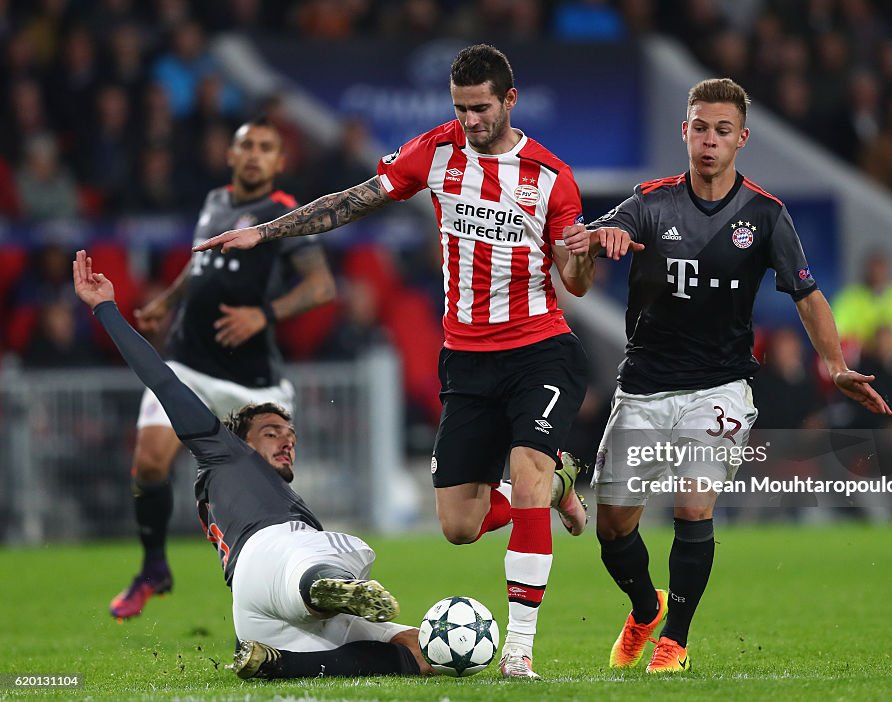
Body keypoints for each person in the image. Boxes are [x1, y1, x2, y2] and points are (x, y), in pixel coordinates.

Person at [194, 44, 638, 678]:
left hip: (540, 348)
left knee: (528, 478)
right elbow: (352, 201)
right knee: (460, 524)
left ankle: (518, 655)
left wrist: (581, 252)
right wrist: (264, 232)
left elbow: (577, 283)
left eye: (481, 108)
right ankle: (562, 480)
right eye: (460, 108)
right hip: (466, 357)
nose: (470, 121)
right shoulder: (435, 152)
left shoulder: (550, 177)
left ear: (509, 101)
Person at [563, 78, 891, 674]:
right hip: (643, 385)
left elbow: (808, 295)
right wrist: (592, 246)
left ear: (741, 138)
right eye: (699, 127)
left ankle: (675, 643)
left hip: (720, 387)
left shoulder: (766, 215)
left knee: (693, 506)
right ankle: (645, 610)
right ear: (683, 131)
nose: (709, 140)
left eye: (721, 130)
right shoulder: (646, 202)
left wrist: (836, 365)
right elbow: (577, 277)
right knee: (612, 528)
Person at [73, 250, 429, 680]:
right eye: (272, 431)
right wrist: (107, 310)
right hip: (278, 559)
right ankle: (322, 584)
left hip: (253, 611)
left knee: (410, 649)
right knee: (344, 547)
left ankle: (281, 662)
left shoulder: (227, 485)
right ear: (240, 438)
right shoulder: (222, 450)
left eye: (291, 435)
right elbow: (163, 380)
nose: (287, 439)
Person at [110, 117, 337, 620]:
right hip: (190, 361)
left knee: (266, 491)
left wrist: (265, 314)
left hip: (251, 382)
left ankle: (292, 583)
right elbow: (200, 266)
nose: (255, 155)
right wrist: (168, 301)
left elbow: (322, 287)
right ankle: (152, 568)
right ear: (232, 156)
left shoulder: (284, 214)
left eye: (266, 148)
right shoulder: (214, 201)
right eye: (247, 146)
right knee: (149, 462)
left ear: (279, 162)